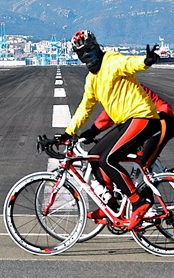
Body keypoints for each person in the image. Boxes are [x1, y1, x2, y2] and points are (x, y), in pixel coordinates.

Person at [59, 30, 162, 230]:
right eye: (81, 54)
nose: (86, 56)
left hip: (142, 117)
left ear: (97, 47)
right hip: (125, 122)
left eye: (88, 50)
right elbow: (85, 107)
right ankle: (111, 205)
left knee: (108, 159)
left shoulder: (112, 61)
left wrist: (146, 61)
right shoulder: (91, 79)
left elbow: (130, 64)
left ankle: (138, 203)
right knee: (95, 156)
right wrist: (68, 132)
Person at [81, 84, 174, 170]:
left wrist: (92, 131)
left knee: (143, 166)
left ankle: (143, 189)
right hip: (147, 122)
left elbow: (107, 115)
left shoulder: (122, 85)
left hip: (161, 120)